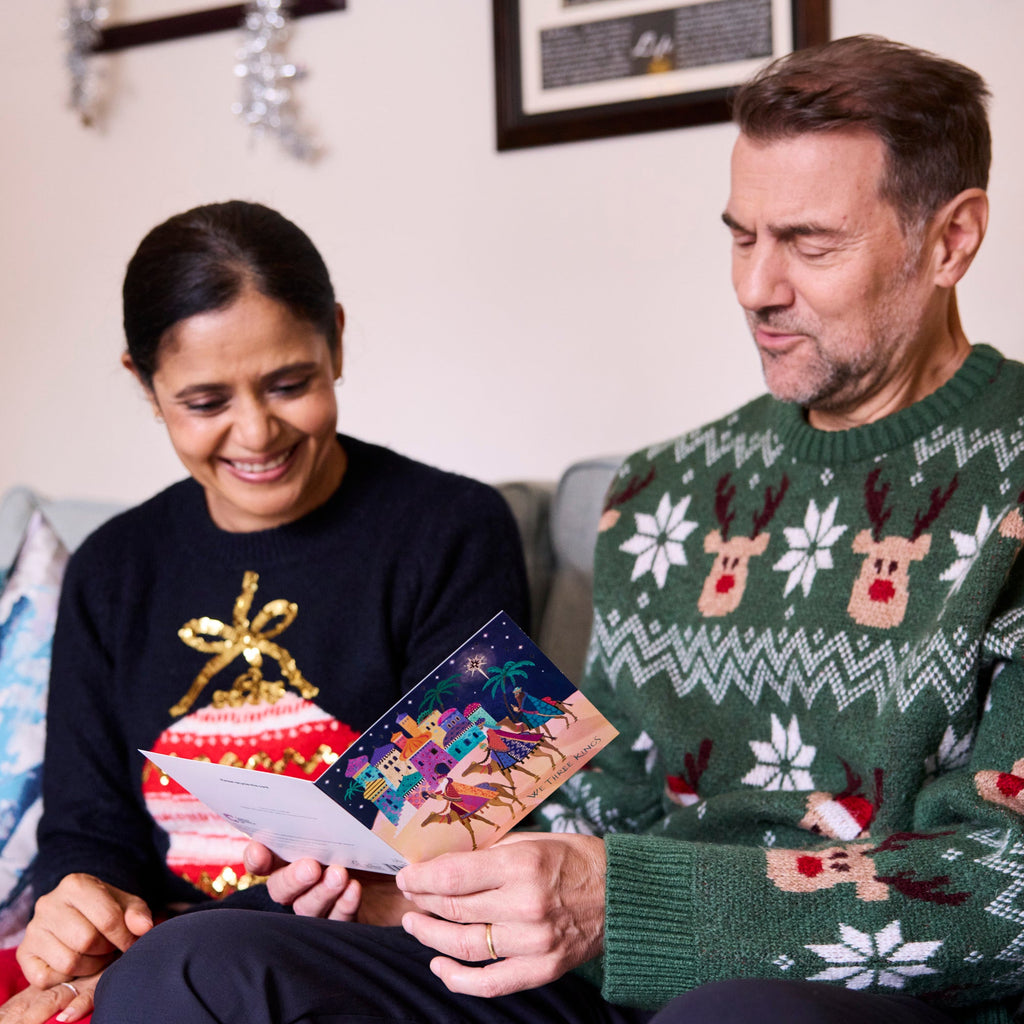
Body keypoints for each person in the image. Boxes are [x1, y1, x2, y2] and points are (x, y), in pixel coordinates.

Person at [90, 34, 1024, 1024]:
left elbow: (1005, 889)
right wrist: (407, 888)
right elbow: (599, 803)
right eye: (741, 236)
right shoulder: (665, 490)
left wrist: (626, 902)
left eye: (808, 242)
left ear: (951, 239)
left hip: (829, 1001)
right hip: (602, 984)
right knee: (192, 965)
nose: (756, 287)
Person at [0, 201, 529, 1023]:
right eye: (206, 402)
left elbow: (457, 832)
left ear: (338, 342)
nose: (256, 433)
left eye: (290, 384)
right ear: (144, 383)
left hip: (375, 961)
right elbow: (86, 832)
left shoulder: (454, 530)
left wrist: (147, 967)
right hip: (158, 961)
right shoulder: (110, 569)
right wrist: (77, 912)